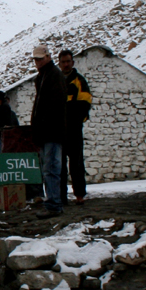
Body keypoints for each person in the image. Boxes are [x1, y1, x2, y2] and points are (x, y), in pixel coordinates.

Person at [29, 44, 67, 218]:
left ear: (47, 57)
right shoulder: (44, 76)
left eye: (39, 59)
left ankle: (54, 204)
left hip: (51, 130)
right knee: (49, 168)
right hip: (45, 131)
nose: (37, 62)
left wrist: (43, 126)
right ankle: (53, 202)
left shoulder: (53, 76)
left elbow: (55, 106)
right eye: (35, 59)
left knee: (51, 168)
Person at [59, 50, 93, 206]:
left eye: (68, 61)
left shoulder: (80, 81)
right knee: (59, 165)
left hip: (74, 130)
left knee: (76, 164)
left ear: (72, 62)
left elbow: (85, 104)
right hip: (58, 131)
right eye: (63, 62)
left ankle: (79, 195)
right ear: (59, 64)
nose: (66, 64)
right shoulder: (56, 81)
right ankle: (61, 197)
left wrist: (76, 120)